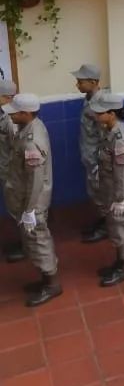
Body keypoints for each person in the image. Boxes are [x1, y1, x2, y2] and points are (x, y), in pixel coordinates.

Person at [3, 93, 62, 307]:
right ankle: (45, 278)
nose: (12, 116)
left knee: (39, 240)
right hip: (27, 199)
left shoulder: (31, 142)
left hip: (32, 202)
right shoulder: (31, 127)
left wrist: (29, 210)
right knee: (34, 241)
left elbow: (36, 180)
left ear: (26, 113)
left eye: (15, 112)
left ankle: (52, 283)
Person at [90, 92, 124, 287]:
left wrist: (120, 199)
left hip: (119, 192)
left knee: (120, 229)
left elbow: (123, 172)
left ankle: (123, 267)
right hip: (110, 188)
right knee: (114, 227)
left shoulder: (120, 138)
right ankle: (118, 262)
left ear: (111, 113)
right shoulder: (109, 129)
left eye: (100, 113)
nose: (96, 115)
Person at [73, 64, 107, 243]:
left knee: (102, 193)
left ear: (93, 82)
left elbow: (104, 136)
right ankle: (103, 220)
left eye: (80, 81)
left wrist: (100, 161)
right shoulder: (89, 99)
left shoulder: (100, 104)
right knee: (95, 192)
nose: (77, 85)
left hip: (97, 158)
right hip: (89, 155)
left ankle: (108, 226)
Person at [0, 79, 24, 263]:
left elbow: (18, 147)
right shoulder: (3, 114)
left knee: (20, 209)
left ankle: (28, 246)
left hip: (13, 172)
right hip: (5, 169)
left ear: (7, 97)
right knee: (14, 208)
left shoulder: (11, 120)